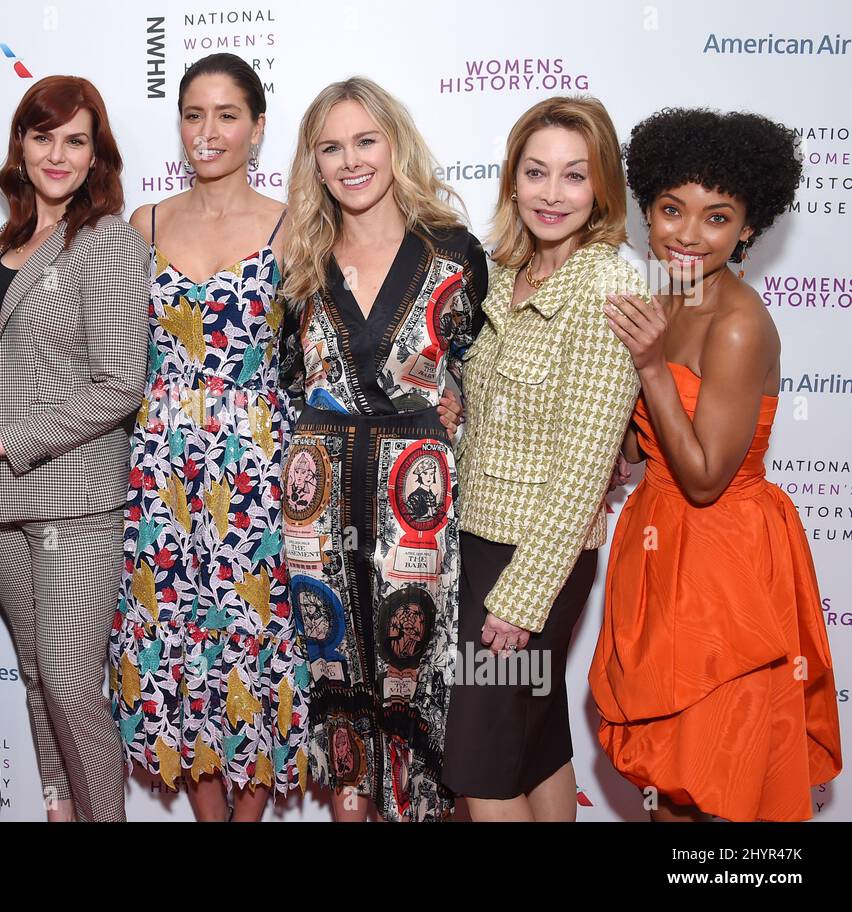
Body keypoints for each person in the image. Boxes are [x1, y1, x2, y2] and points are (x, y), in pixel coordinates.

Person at [590, 107, 842, 822]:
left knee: (718, 775)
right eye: (673, 210)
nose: (689, 235)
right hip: (660, 544)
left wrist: (648, 366)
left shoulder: (738, 322)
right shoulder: (667, 298)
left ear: (749, 228)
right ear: (648, 210)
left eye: (717, 217)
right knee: (669, 781)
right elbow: (645, 446)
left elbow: (704, 477)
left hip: (723, 563)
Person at [279, 76, 486, 822]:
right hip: (317, 503)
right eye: (330, 147)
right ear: (314, 163)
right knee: (337, 688)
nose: (351, 161)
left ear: (394, 143)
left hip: (417, 504)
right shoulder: (299, 257)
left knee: (414, 685)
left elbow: (478, 370)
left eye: (366, 140)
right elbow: (287, 379)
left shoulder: (455, 253)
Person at [108, 53, 307, 822]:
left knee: (255, 643)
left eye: (228, 115)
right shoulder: (144, 224)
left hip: (256, 467)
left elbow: (320, 358)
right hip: (162, 468)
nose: (208, 131)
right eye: (194, 114)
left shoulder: (293, 227)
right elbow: (115, 357)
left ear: (258, 129)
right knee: (178, 646)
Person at [441, 95, 643, 822]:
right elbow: (501, 404)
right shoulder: (506, 272)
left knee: (479, 765)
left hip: (534, 561)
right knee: (532, 744)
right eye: (536, 173)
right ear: (513, 179)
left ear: (602, 190)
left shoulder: (609, 287)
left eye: (574, 176)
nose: (551, 194)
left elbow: (585, 469)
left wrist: (522, 601)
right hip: (483, 540)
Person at [0, 75, 148, 822]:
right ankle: (59, 805)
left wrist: (12, 438)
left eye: (76, 139)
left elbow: (120, 383)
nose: (58, 154)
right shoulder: (10, 241)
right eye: (43, 137)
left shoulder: (104, 241)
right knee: (36, 675)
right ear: (21, 146)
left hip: (74, 499)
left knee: (68, 678)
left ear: (96, 152)